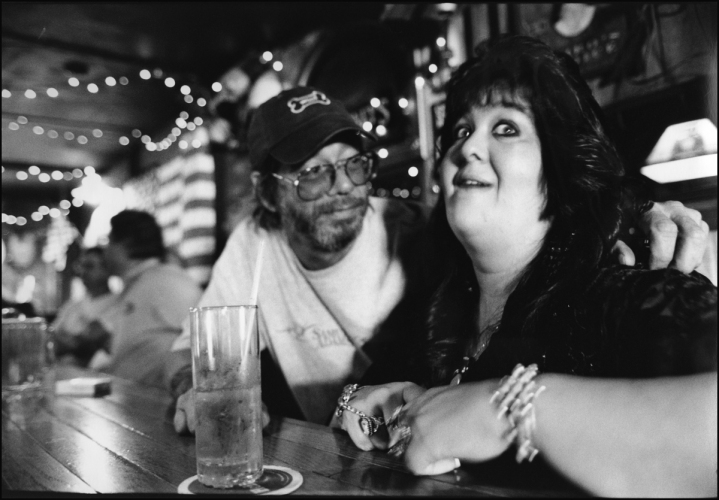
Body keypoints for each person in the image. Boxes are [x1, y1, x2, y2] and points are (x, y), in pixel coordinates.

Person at [170, 86, 709, 434]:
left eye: (353, 165)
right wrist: (193, 389)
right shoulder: (254, 244)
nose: (341, 188)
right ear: (268, 195)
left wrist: (623, 217)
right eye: (311, 172)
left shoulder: (413, 231)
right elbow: (193, 357)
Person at [336, 36, 716, 497]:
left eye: (506, 129)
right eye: (459, 130)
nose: (468, 146)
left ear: (560, 172)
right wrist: (360, 406)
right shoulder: (437, 314)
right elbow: (357, 404)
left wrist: (509, 409)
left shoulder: (625, 293)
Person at [91, 210, 202, 388]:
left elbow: (202, 344)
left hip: (160, 405)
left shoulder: (168, 280)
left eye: (109, 242)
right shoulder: (138, 283)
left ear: (125, 244)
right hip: (132, 401)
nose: (105, 251)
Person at [51, 247, 118, 367]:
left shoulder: (119, 303)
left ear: (107, 270)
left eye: (89, 266)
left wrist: (71, 340)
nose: (83, 272)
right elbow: (51, 338)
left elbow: (85, 342)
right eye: (81, 266)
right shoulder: (72, 305)